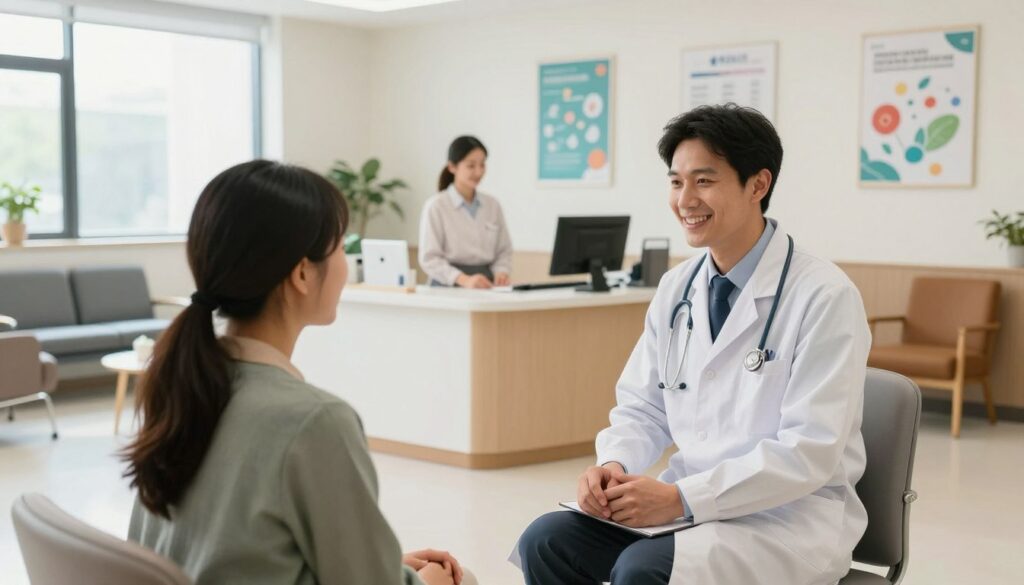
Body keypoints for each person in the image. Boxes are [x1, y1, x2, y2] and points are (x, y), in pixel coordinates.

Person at [515, 104, 871, 585]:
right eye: (676, 181)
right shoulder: (677, 288)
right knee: (547, 540)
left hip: (786, 519)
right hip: (689, 506)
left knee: (643, 570)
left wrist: (682, 499)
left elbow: (809, 451)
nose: (686, 199)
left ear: (758, 185)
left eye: (704, 181)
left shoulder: (824, 296)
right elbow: (643, 408)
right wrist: (612, 466)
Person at [123, 160, 470, 585]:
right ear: (303, 274)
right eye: (342, 247)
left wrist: (389, 565)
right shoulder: (315, 421)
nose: (346, 263)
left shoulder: (180, 385)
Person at [419, 135, 513, 288]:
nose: (478, 172)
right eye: (471, 165)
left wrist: (501, 272)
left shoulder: (492, 205)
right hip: (447, 285)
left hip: (485, 284)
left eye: (482, 165)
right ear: (452, 167)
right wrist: (463, 279)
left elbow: (504, 250)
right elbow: (430, 258)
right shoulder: (436, 206)